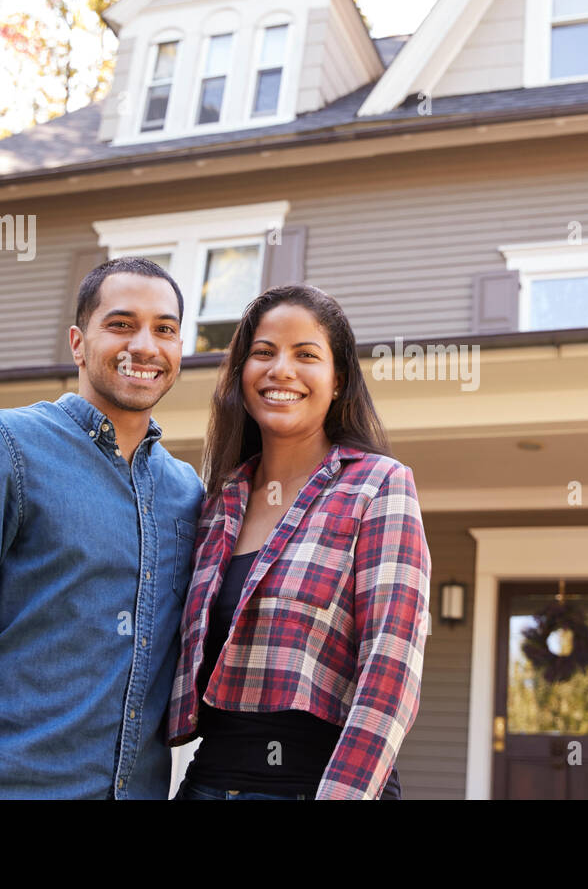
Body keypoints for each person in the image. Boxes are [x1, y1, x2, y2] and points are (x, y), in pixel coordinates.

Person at [0, 257, 203, 799]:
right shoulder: (4, 446)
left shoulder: (188, 493)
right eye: (121, 324)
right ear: (78, 343)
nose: (145, 345)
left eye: (164, 329)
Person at [168, 284, 430, 800]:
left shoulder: (379, 486)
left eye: (306, 355)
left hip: (318, 784)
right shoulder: (217, 504)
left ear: (337, 383)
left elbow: (390, 672)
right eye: (263, 353)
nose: (281, 370)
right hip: (207, 782)